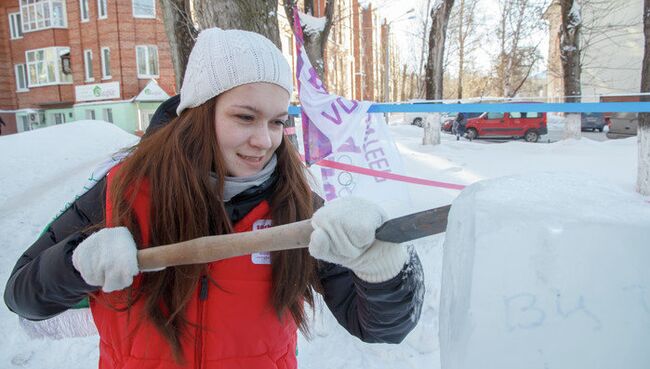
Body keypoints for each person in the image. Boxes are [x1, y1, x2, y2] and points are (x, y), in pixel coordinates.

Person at [4, 28, 424, 369]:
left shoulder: (296, 206)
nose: (264, 141)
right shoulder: (122, 190)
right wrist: (76, 263)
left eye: (277, 122)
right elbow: (22, 296)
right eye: (245, 117)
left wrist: (384, 270)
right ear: (200, 113)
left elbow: (380, 329)